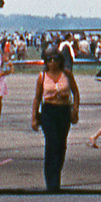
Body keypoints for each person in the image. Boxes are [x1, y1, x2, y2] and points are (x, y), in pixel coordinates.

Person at [31, 49, 80, 191]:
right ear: (46, 61)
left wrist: (75, 110)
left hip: (64, 111)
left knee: (61, 145)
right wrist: (34, 117)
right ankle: (51, 183)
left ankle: (56, 175)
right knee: (51, 144)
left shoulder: (67, 74)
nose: (53, 62)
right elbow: (37, 97)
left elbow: (75, 92)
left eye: (56, 59)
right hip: (49, 112)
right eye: (50, 59)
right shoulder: (42, 76)